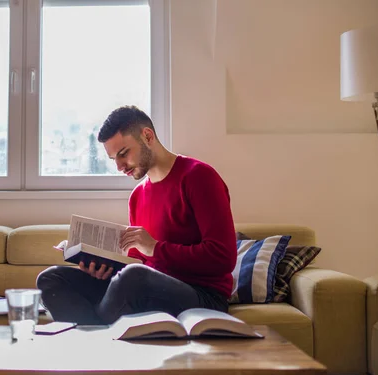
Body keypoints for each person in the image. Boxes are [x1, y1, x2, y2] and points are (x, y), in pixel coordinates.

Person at [36, 105, 237, 325]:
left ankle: (95, 341)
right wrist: (104, 268)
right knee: (51, 279)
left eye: (123, 154)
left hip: (203, 295)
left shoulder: (198, 177)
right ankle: (95, 335)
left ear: (147, 136)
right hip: (146, 286)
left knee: (134, 277)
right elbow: (142, 264)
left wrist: (154, 248)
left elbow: (223, 258)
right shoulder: (138, 196)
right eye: (114, 159)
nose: (120, 167)